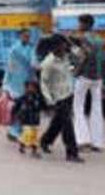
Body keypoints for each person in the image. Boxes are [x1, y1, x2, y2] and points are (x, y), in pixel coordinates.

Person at [39, 33, 84, 163]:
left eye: (65, 44)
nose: (64, 47)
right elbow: (44, 83)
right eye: (62, 44)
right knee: (67, 124)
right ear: (55, 47)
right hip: (57, 97)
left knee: (58, 122)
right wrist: (49, 101)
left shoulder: (66, 57)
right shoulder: (49, 63)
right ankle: (72, 152)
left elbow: (81, 56)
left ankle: (45, 141)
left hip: (69, 94)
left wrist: (71, 44)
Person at [72, 14, 105, 152]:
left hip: (85, 77)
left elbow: (83, 57)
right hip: (98, 78)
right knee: (97, 109)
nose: (78, 26)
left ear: (86, 24)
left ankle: (82, 140)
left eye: (79, 23)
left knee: (78, 107)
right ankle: (97, 143)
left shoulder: (83, 38)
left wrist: (76, 72)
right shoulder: (101, 40)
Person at [2, 29, 34, 142]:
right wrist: (6, 85)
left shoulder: (31, 48)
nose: (27, 38)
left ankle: (17, 130)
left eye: (28, 36)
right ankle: (13, 131)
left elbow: (33, 64)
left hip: (28, 82)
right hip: (16, 83)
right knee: (16, 108)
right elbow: (10, 68)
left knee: (25, 108)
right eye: (25, 36)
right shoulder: (14, 49)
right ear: (20, 36)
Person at [12, 80, 42, 158]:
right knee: (28, 133)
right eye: (29, 87)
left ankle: (33, 150)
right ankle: (23, 145)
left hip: (35, 120)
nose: (31, 89)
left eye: (33, 87)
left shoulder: (38, 98)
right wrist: (14, 115)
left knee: (34, 135)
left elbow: (43, 106)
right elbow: (16, 107)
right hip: (26, 119)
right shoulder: (23, 98)